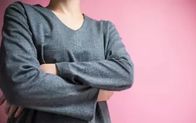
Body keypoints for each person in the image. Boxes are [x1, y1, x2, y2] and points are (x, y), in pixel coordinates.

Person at [0, 0, 134, 123]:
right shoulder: (22, 14)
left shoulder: (105, 30)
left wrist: (57, 69)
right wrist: (96, 94)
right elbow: (20, 85)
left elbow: (125, 72)